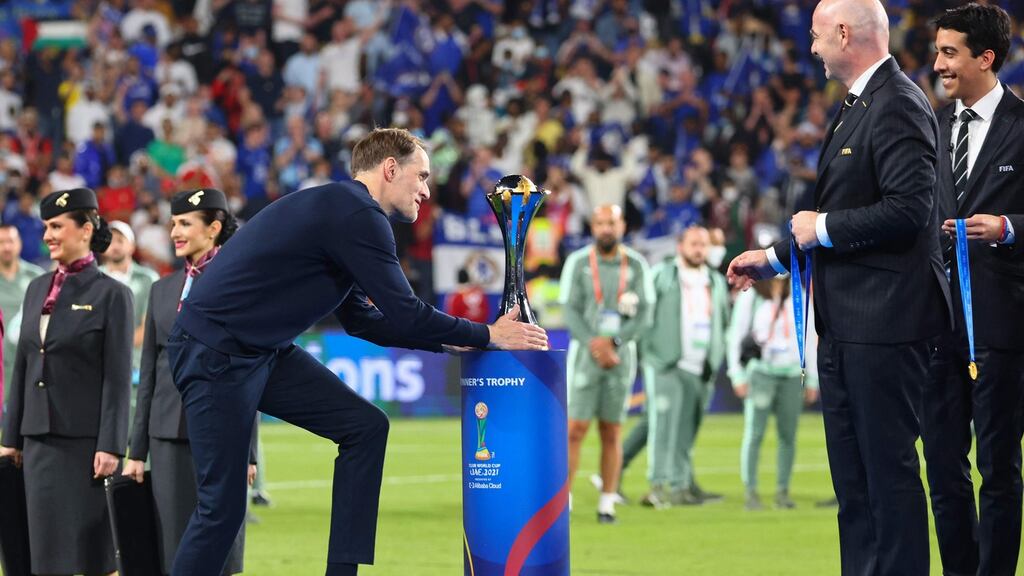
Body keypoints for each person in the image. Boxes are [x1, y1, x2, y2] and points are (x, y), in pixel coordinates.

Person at [165, 128, 547, 576]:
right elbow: (405, 312)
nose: (426, 190)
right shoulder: (358, 215)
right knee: (221, 510)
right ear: (390, 169)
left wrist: (452, 339)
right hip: (214, 353)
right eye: (421, 176)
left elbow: (363, 320)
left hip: (258, 350)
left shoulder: (341, 211)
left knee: (365, 427)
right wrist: (487, 334)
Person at [727, 1, 951, 573]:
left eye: (817, 36)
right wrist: (774, 258)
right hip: (850, 326)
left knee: (887, 481)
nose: (812, 48)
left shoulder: (898, 103)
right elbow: (842, 209)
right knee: (855, 489)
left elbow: (909, 208)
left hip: (886, 326)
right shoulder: (860, 105)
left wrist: (820, 226)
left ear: (845, 33)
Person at [922, 5, 1024, 576]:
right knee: (941, 467)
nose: (938, 64)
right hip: (938, 328)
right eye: (938, 52)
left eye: (950, 53)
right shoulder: (933, 128)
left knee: (1000, 469)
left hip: (1001, 326)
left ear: (986, 57)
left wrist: (1011, 228)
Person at [0, 187, 134, 575]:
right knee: (44, 555)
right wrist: (11, 441)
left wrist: (111, 445)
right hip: (36, 443)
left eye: (57, 226)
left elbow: (118, 377)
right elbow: (23, 365)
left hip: (87, 448)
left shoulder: (113, 294)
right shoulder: (35, 288)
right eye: (45, 227)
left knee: (95, 556)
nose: (47, 235)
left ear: (86, 229)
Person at [122, 189, 255, 575]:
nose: (175, 231)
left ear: (213, 228)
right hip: (166, 432)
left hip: (222, 429)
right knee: (171, 538)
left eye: (185, 224)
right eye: (173, 223)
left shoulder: (239, 283)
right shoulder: (160, 290)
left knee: (224, 539)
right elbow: (148, 374)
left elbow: (253, 369)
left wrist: (250, 452)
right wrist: (136, 451)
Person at [558, 204, 652, 524]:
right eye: (599, 223)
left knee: (611, 430)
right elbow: (569, 310)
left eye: (611, 222)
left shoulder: (637, 265)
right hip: (585, 356)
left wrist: (614, 342)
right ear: (592, 226)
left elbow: (645, 314)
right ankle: (563, 498)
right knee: (575, 429)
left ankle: (607, 502)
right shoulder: (578, 262)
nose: (606, 228)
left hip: (621, 357)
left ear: (622, 225)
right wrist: (595, 344)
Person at [640, 225, 729, 508]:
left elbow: (722, 321)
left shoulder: (714, 280)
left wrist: (715, 357)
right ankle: (657, 486)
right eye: (693, 243)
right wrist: (650, 356)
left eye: (703, 244)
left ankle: (680, 487)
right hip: (667, 362)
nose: (699, 249)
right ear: (681, 246)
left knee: (688, 430)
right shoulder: (662, 275)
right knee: (662, 426)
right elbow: (645, 317)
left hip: (701, 365)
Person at [727, 275, 819, 510]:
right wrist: (737, 373)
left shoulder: (799, 295)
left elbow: (809, 338)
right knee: (754, 434)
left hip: (790, 375)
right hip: (761, 373)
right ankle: (751, 491)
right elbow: (736, 333)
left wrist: (813, 379)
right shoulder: (753, 295)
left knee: (788, 436)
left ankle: (782, 491)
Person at [101, 220, 159, 377]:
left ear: (132, 246)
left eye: (120, 240)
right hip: (99, 365)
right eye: (110, 240)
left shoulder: (148, 278)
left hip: (136, 364)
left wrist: (115, 350)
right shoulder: (93, 278)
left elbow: (148, 325)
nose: (114, 245)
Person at [0, 225, 44, 392]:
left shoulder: (37, 277)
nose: (6, 247)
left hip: (29, 366)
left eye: (10, 241)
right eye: (1, 242)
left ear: (19, 243)